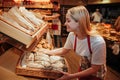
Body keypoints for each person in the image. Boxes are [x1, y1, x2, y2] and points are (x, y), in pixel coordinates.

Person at [44, 6, 107, 80]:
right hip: (82, 69)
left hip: (96, 75)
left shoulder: (97, 42)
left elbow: (94, 68)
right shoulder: (72, 35)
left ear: (80, 22)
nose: (65, 23)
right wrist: (46, 52)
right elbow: (64, 50)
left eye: (68, 21)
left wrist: (71, 76)